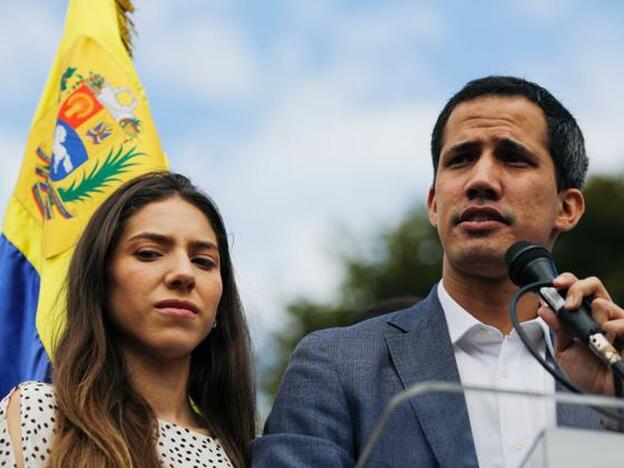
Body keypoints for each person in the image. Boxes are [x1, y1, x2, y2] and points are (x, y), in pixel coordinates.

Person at [251, 76, 624, 467]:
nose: (481, 180)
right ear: (433, 203)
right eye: (461, 159)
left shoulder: (608, 375)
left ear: (567, 208)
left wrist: (614, 407)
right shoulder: (336, 365)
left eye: (513, 158)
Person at [0, 172, 256, 467]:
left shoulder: (246, 455)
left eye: (203, 261)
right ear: (100, 279)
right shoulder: (42, 413)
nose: (184, 273)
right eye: (149, 253)